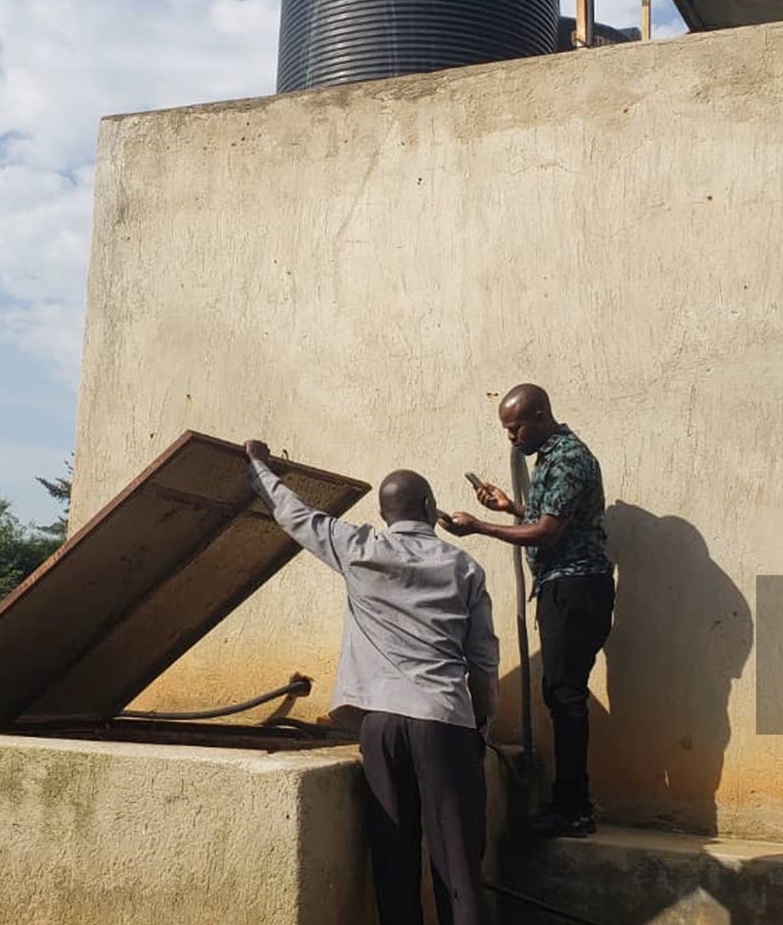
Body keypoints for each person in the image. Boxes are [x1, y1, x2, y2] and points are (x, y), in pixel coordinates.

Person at [244, 439, 500, 925]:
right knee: (457, 862)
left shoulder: (356, 545)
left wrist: (258, 467)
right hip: (445, 721)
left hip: (379, 726)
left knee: (392, 854)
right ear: (429, 508)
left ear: (385, 513)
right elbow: (483, 657)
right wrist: (482, 720)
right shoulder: (464, 567)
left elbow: (296, 516)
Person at [441, 383, 614, 839]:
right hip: (569, 588)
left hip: (575, 589)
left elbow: (548, 533)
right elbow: (550, 518)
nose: (511, 439)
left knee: (565, 695)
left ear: (539, 415)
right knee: (562, 693)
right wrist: (510, 507)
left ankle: (573, 809)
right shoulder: (552, 460)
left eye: (515, 428)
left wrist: (480, 526)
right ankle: (570, 804)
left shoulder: (569, 458)